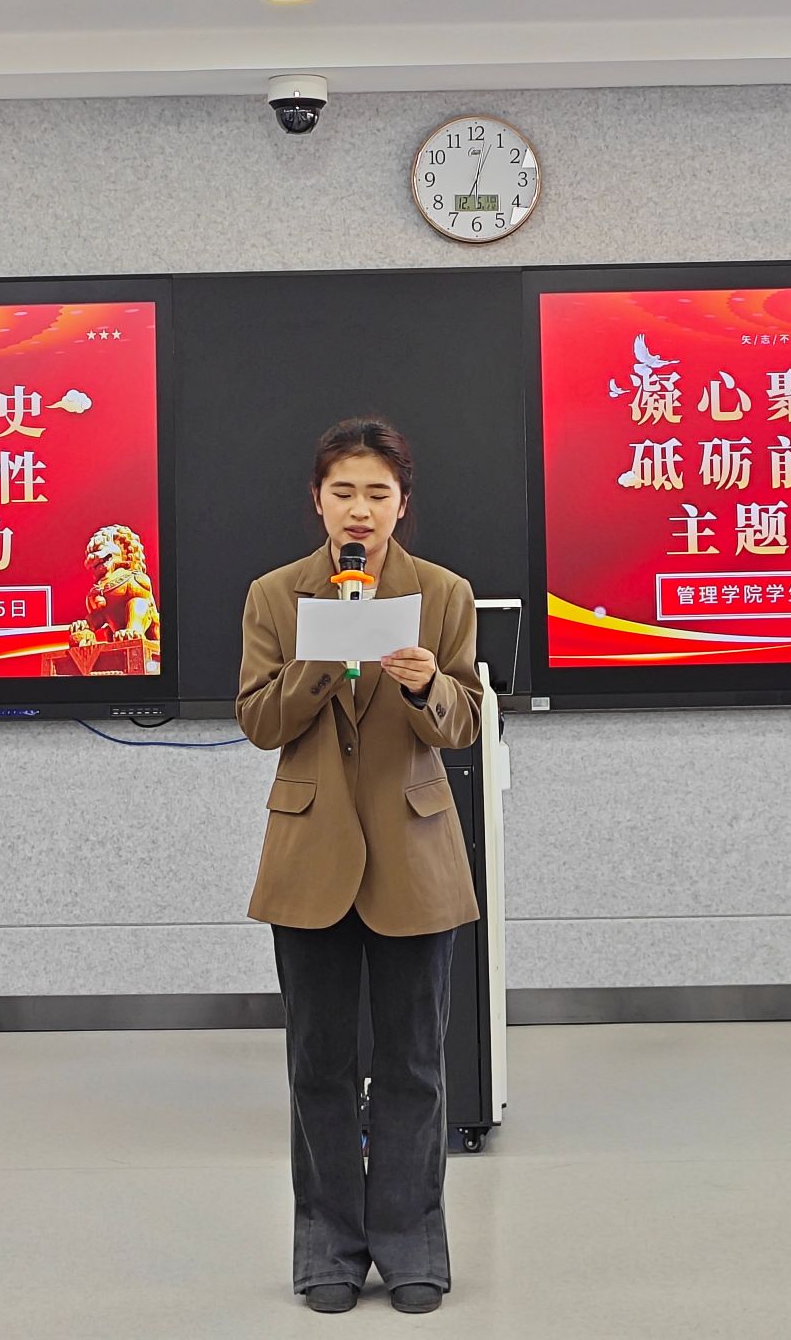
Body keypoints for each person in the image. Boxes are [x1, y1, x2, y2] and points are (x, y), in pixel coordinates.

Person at [238, 418, 483, 1316]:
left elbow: (464, 719)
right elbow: (258, 721)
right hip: (310, 855)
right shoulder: (276, 595)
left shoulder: (443, 593)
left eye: (378, 493)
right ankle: (329, 1252)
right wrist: (318, 663)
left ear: (401, 504)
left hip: (414, 855)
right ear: (318, 499)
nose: (360, 509)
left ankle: (413, 1246)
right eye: (343, 490)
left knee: (416, 1064)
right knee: (320, 1065)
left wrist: (425, 684)